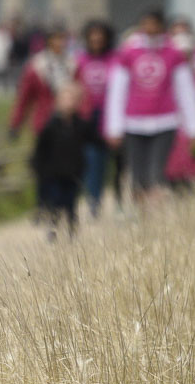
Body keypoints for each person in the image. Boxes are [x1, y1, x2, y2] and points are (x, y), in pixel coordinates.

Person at [102, 8, 195, 204]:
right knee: (137, 177)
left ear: (161, 26)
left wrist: (194, 128)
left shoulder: (173, 54)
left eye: (154, 24)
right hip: (134, 123)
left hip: (164, 122)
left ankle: (155, 212)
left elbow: (186, 92)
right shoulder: (129, 53)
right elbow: (117, 92)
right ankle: (141, 213)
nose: (150, 28)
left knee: (156, 174)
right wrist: (113, 127)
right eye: (146, 24)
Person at [31, 82, 92, 240]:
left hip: (73, 172)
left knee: (71, 203)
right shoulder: (50, 127)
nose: (68, 104)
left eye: (72, 100)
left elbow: (92, 141)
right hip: (54, 173)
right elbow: (41, 149)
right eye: (65, 99)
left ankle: (72, 231)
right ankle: (53, 230)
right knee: (55, 202)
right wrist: (39, 169)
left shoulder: (81, 126)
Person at [74, 20, 118, 218]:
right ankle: (93, 201)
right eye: (93, 36)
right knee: (92, 160)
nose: (97, 39)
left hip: (111, 116)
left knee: (113, 162)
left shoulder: (115, 59)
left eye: (100, 36)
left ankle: (120, 198)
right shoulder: (80, 60)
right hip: (88, 117)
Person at [9, 25, 74, 139]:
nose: (59, 43)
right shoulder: (37, 65)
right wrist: (16, 123)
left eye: (62, 39)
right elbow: (25, 97)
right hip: (44, 120)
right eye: (55, 39)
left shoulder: (72, 63)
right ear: (48, 41)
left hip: (69, 121)